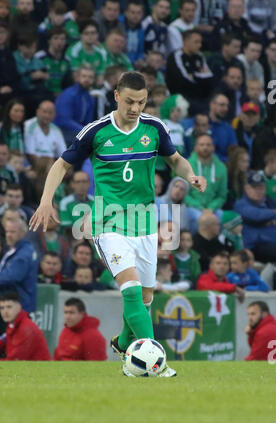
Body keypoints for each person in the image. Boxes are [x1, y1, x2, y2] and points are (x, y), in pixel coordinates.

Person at [29, 70, 207, 378]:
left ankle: (124, 343)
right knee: (132, 291)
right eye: (129, 101)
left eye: (141, 102)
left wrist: (188, 174)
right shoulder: (96, 131)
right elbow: (61, 164)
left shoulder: (153, 128)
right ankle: (156, 362)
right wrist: (47, 200)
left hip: (146, 224)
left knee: (146, 299)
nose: (135, 108)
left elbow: (175, 159)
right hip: (108, 223)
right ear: (116, 96)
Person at [0, 218, 39, 338]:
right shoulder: (16, 250)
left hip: (16, 306)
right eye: (7, 232)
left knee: (10, 345)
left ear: (23, 233)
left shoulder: (24, 253)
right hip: (11, 304)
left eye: (13, 232)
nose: (9, 235)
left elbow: (11, 276)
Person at [0, 291, 51, 361]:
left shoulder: (26, 328)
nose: (5, 311)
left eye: (9, 307)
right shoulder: (12, 326)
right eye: (2, 308)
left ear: (19, 307)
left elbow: (15, 360)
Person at [185, 134, 228, 233]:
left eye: (208, 145)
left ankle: (217, 244)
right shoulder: (186, 166)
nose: (205, 147)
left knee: (223, 217)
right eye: (202, 144)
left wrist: (210, 209)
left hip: (213, 208)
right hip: (192, 207)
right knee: (201, 219)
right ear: (196, 147)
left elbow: (222, 195)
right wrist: (201, 209)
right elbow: (184, 194)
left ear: (213, 147)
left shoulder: (221, 167)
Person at [24, 100, 66, 197]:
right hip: (34, 164)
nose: (47, 115)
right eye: (44, 112)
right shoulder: (29, 126)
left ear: (54, 115)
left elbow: (64, 154)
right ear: (38, 112)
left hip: (51, 165)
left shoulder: (56, 130)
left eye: (50, 113)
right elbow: (30, 154)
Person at [165, 29, 213, 114]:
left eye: (200, 42)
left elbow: (210, 78)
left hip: (201, 97)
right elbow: (182, 80)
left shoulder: (200, 56)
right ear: (186, 42)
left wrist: (193, 76)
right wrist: (200, 77)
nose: (200, 45)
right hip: (181, 96)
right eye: (196, 42)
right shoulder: (176, 56)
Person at [234, 170, 276, 262]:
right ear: (246, 188)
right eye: (254, 188)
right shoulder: (240, 204)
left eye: (261, 188)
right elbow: (256, 215)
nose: (258, 191)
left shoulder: (269, 202)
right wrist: (272, 215)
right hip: (256, 246)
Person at [54, 64, 96, 145]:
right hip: (61, 132)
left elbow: (88, 122)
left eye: (90, 77)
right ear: (77, 77)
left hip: (78, 132)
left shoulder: (90, 98)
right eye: (84, 76)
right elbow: (64, 121)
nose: (87, 79)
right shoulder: (68, 95)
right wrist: (85, 131)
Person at [64, 20, 105, 87]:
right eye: (86, 33)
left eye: (93, 33)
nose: (90, 36)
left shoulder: (101, 52)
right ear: (80, 35)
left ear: (97, 34)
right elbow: (76, 78)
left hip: (93, 88)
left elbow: (100, 79)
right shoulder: (74, 51)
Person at [208, 93, 238, 163]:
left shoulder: (228, 128)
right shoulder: (201, 123)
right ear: (212, 105)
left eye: (227, 106)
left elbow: (234, 152)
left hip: (223, 165)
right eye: (222, 105)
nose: (226, 109)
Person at [120, 0, 145, 65]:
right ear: (126, 13)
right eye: (133, 12)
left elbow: (140, 51)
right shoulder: (118, 25)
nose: (136, 16)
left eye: (139, 13)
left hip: (134, 64)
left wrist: (139, 60)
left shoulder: (141, 29)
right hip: (120, 62)